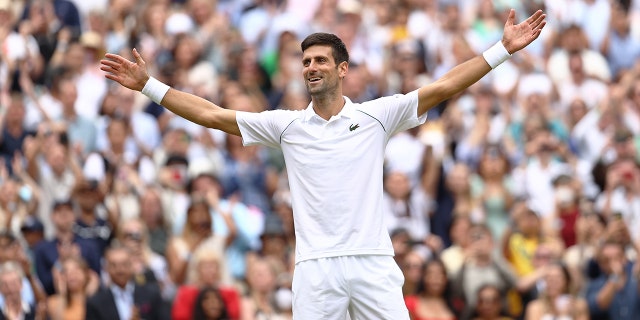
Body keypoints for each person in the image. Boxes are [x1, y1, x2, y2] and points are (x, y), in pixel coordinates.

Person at [100, 9, 546, 319]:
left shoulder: (377, 115)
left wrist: (501, 50)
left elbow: (443, 86)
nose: (310, 67)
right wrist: (149, 87)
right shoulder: (286, 125)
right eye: (305, 61)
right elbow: (213, 115)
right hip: (315, 267)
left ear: (343, 69)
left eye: (319, 61)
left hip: (373, 261)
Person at [85, 245, 169, 320]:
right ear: (106, 268)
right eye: (114, 265)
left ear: (132, 265)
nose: (120, 270)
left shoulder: (152, 294)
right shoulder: (96, 303)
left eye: (124, 264)